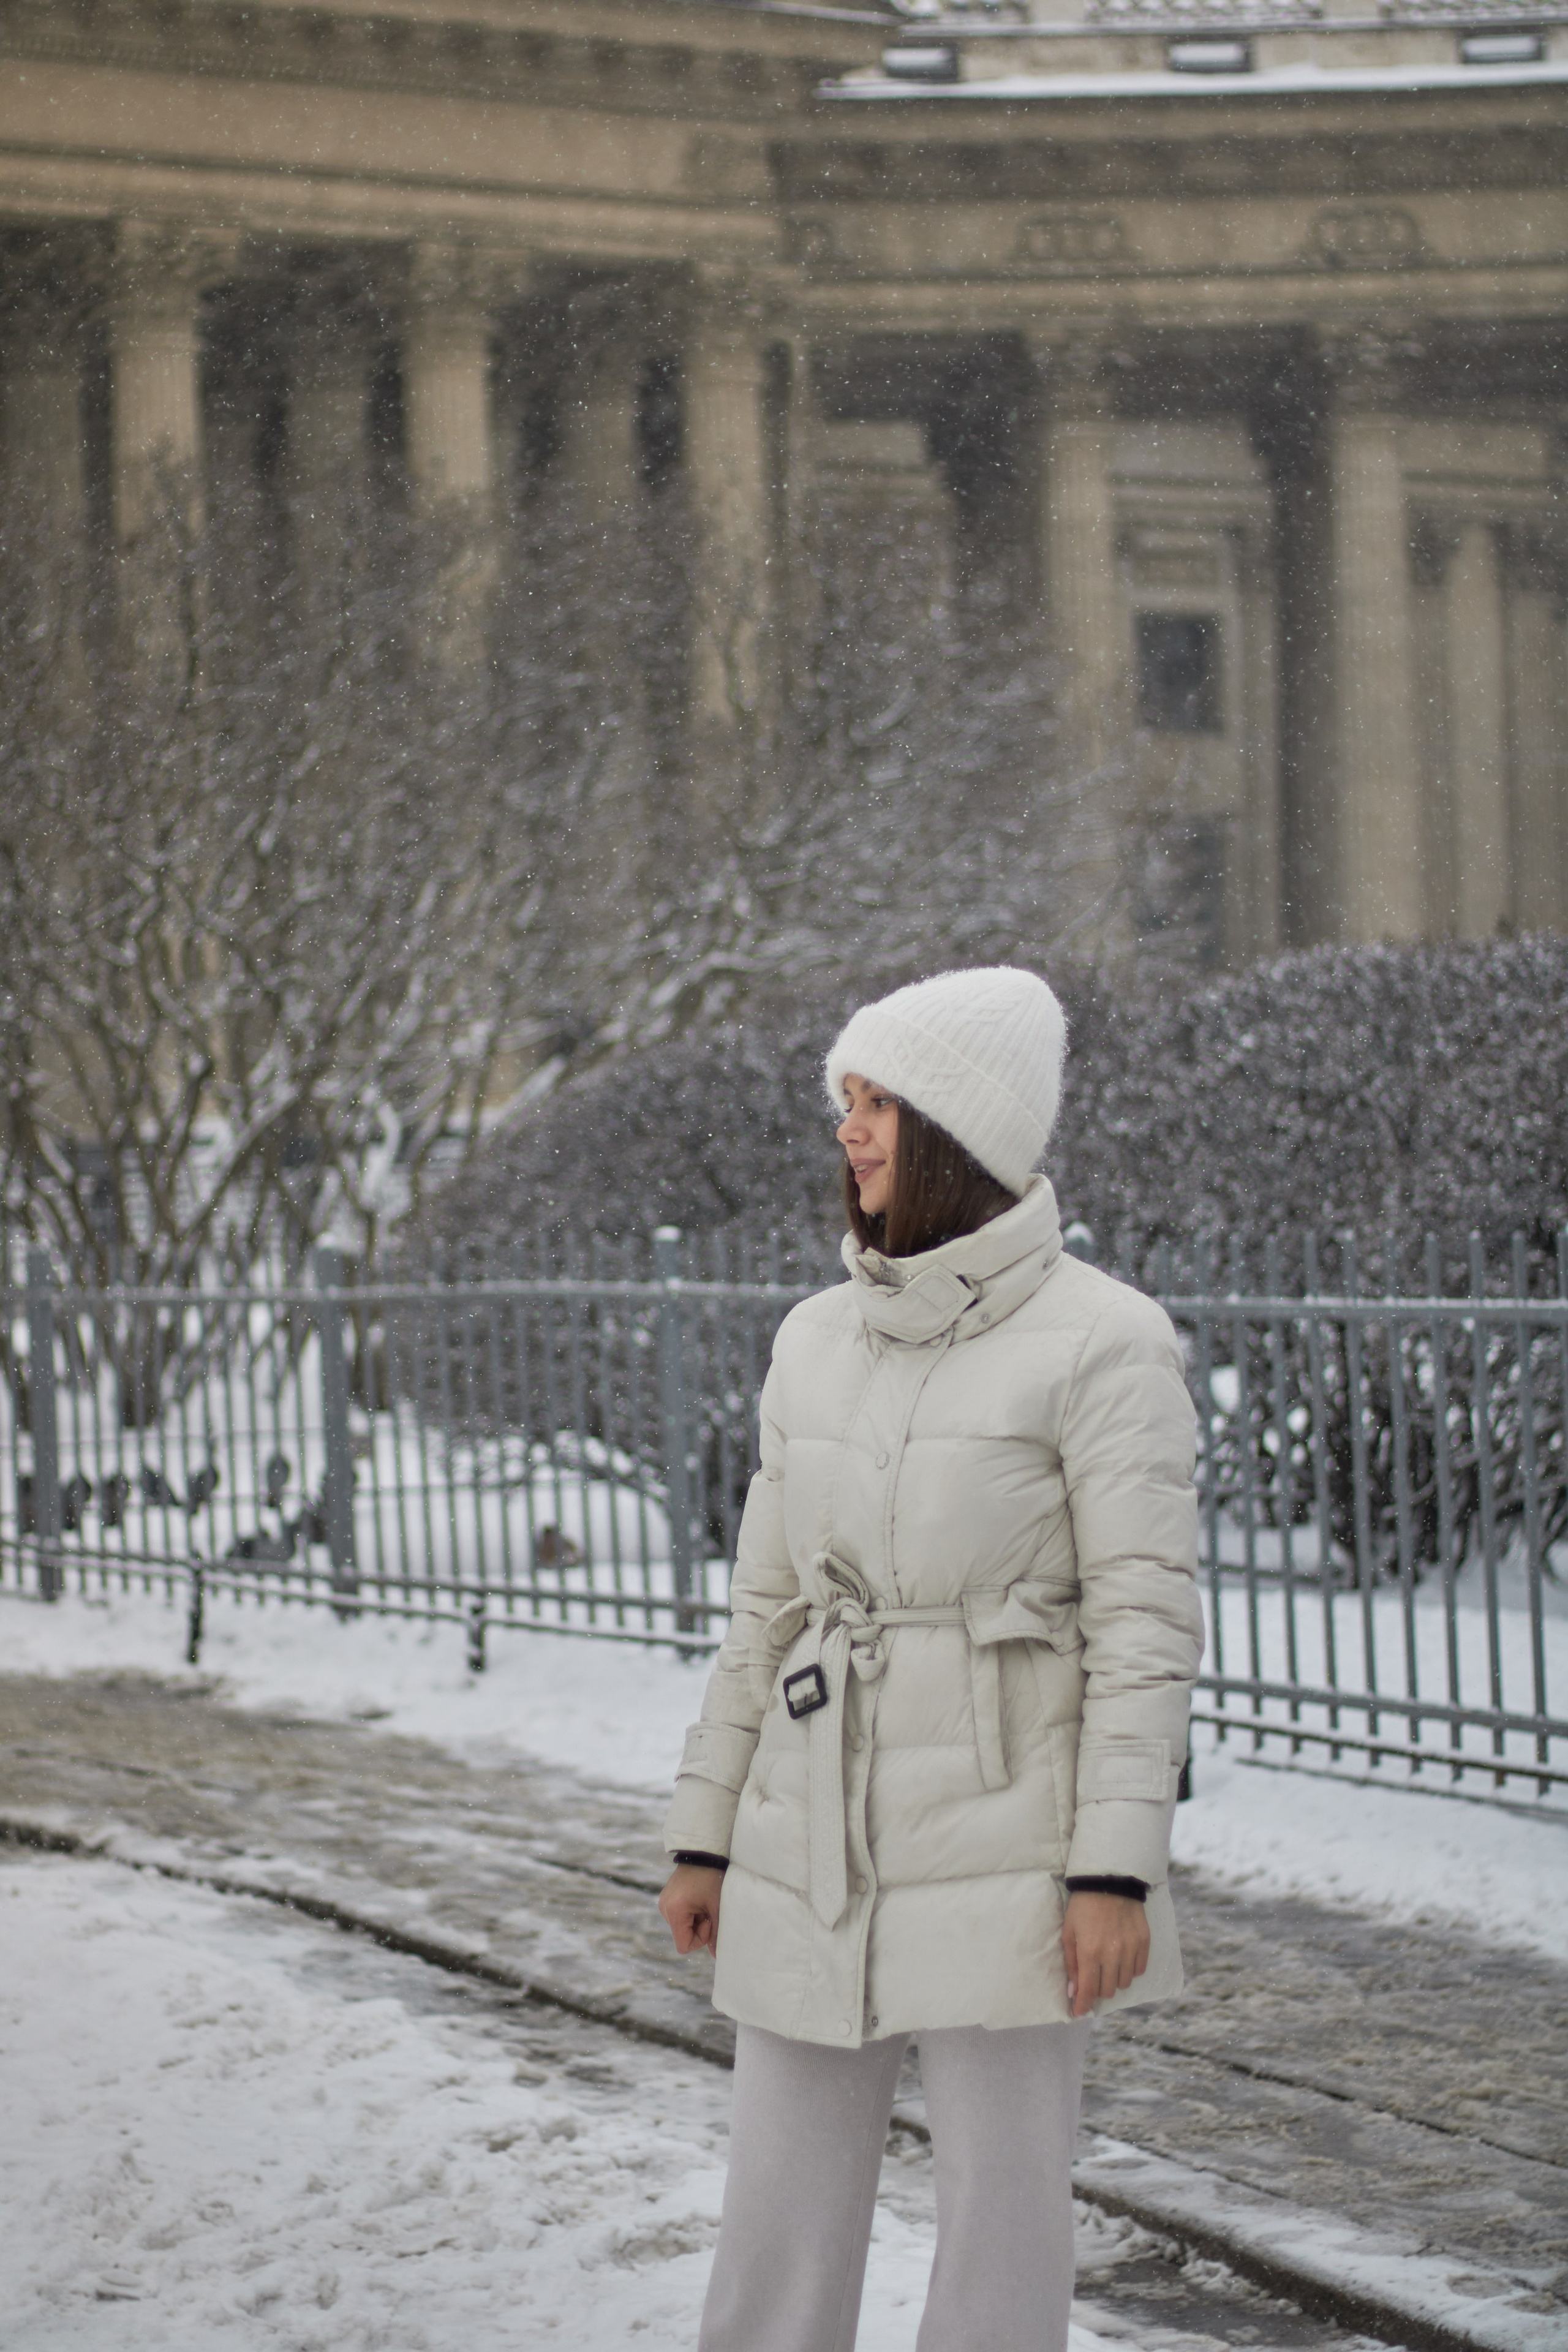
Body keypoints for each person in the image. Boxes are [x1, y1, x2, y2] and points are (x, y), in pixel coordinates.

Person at [658, 966, 1204, 2352]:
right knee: (776, 2212)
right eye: (843, 1101)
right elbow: (765, 1606)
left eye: (876, 1103)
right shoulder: (810, 1340)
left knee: (1002, 2221)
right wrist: (704, 1834)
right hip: (809, 1824)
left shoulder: (1105, 1342)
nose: (846, 1131)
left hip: (1011, 1832)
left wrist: (1109, 1872)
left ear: (956, 1126)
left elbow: (1143, 1627)